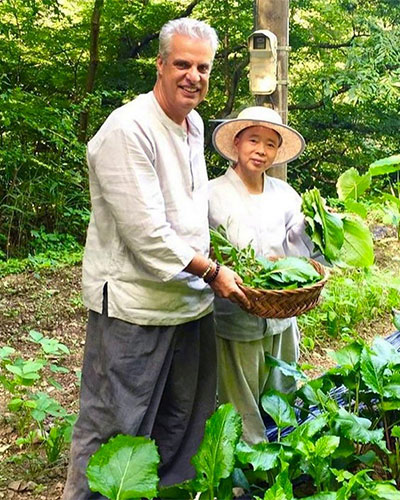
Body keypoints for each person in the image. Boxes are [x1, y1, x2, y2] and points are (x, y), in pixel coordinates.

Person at [63, 18, 250, 500]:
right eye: (183, 64)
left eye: (203, 67)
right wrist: (211, 271)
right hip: (134, 306)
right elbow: (147, 235)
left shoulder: (193, 124)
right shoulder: (128, 128)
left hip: (188, 304)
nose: (194, 76)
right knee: (114, 429)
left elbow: (186, 212)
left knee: (180, 424)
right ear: (161, 64)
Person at [208, 106, 314, 445]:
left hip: (281, 314)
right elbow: (199, 249)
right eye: (253, 140)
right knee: (239, 398)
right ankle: (244, 477)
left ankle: (282, 457)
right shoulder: (211, 194)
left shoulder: (285, 195)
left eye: (270, 144)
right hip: (234, 312)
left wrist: (317, 231)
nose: (261, 151)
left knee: (281, 389)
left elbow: (301, 250)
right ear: (236, 143)